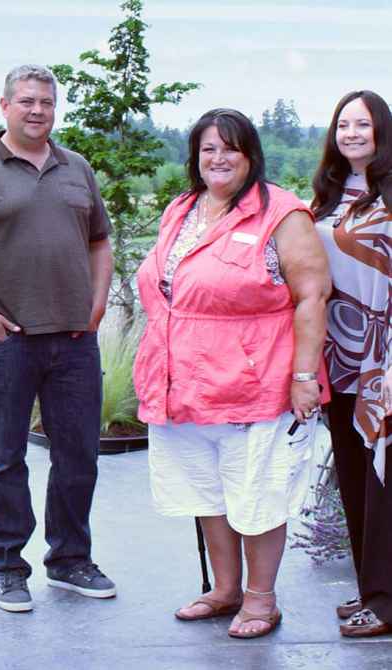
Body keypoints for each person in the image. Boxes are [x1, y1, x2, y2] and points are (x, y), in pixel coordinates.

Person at [133, 108, 331, 638]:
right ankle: (224, 590)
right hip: (185, 384)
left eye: (230, 149)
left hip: (256, 384)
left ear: (251, 156)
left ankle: (261, 600)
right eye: (208, 149)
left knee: (258, 492)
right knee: (206, 492)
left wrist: (305, 376)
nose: (218, 159)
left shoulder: (282, 214)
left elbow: (311, 296)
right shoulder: (181, 208)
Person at [0, 65, 116, 613]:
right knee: (4, 457)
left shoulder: (76, 168)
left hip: (73, 341)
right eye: (26, 101)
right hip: (7, 342)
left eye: (46, 101)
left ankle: (69, 560)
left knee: (78, 456)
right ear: (4, 105)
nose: (37, 110)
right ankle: (7, 567)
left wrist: (98, 299)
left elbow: (100, 241)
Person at [312, 90, 392, 638]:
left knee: (384, 477)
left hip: (384, 354)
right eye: (344, 124)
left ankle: (387, 603)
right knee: (352, 469)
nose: (352, 133)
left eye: (362, 124)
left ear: (382, 131)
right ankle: (370, 590)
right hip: (339, 356)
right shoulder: (327, 196)